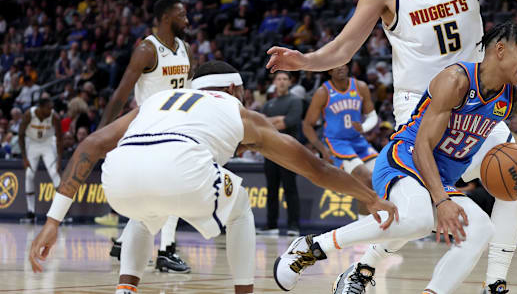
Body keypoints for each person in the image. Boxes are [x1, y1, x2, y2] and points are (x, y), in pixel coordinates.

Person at [266, 0, 517, 293]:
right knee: (418, 213)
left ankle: (495, 282)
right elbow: (344, 49)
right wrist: (305, 60)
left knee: (515, 176)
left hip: (475, 106)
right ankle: (361, 266)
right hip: (421, 111)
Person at [273, 22, 517, 294]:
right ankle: (312, 246)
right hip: (404, 160)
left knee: (481, 229)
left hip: (440, 175)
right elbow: (423, 143)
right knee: (421, 217)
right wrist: (441, 201)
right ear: (500, 50)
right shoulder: (456, 79)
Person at [28, 60, 398, 294]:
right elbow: (315, 169)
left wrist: (52, 222)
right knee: (240, 207)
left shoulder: (155, 102)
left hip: (120, 179)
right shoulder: (239, 112)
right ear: (235, 89)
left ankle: (126, 288)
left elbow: (90, 145)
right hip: (183, 171)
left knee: (143, 216)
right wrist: (368, 197)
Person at [96, 0, 194, 273]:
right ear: (165, 18)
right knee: (175, 187)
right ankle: (166, 251)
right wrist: (102, 132)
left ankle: (124, 241)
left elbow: (191, 88)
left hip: (178, 125)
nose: (187, 20)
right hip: (150, 128)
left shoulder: (186, 49)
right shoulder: (146, 51)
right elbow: (120, 94)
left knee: (166, 191)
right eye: (182, 15)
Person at [302, 64, 378, 212]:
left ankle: (378, 223)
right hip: (337, 143)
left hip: (358, 141)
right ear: (329, 70)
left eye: (343, 64)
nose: (340, 68)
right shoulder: (323, 92)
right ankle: (363, 224)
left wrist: (364, 127)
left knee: (381, 176)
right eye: (335, 66)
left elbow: (372, 116)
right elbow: (307, 125)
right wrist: (322, 149)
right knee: (364, 178)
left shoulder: (360, 86)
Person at [258, 71, 303, 236]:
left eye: (285, 79)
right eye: (279, 79)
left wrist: (270, 123)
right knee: (271, 190)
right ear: (274, 82)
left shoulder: (295, 101)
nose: (282, 82)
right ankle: (271, 225)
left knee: (290, 188)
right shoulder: (268, 104)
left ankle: (293, 226)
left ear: (290, 82)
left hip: (288, 152)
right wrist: (276, 121)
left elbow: (289, 122)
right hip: (270, 152)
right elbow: (260, 126)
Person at [18, 98, 63, 223]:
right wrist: (24, 157)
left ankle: (62, 211)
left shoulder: (55, 117)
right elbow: (21, 134)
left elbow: (59, 139)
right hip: (32, 144)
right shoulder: (29, 114)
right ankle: (31, 212)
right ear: (41, 107)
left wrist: (59, 159)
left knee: (54, 173)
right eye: (48, 107)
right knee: (29, 175)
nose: (51, 110)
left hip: (48, 143)